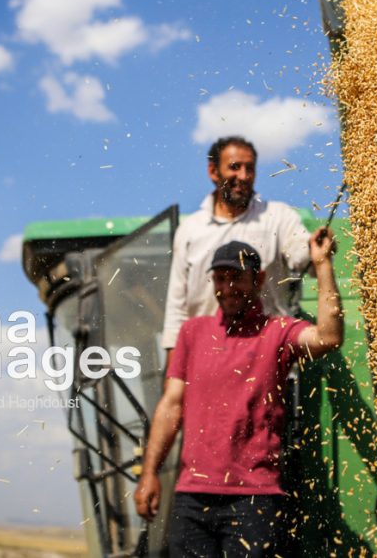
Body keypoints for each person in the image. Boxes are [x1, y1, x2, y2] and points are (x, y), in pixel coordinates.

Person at [135, 231, 344, 557]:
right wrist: (149, 473)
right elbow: (170, 407)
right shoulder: (192, 332)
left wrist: (322, 263)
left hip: (254, 500)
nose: (227, 288)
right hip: (192, 499)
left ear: (258, 279)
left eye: (237, 278)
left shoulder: (278, 332)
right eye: (220, 279)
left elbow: (329, 337)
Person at [161, 136, 312, 350]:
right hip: (205, 354)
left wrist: (315, 248)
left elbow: (303, 254)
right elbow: (177, 308)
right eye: (234, 167)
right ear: (213, 171)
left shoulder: (278, 217)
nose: (243, 176)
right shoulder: (190, 230)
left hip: (266, 351)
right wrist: (173, 374)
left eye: (249, 168)